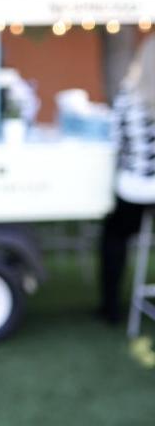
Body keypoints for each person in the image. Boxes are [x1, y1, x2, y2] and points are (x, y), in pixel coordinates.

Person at [99, 35, 155, 324]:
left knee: (113, 236)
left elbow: (115, 141)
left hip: (134, 188)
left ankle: (110, 307)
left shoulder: (127, 95)